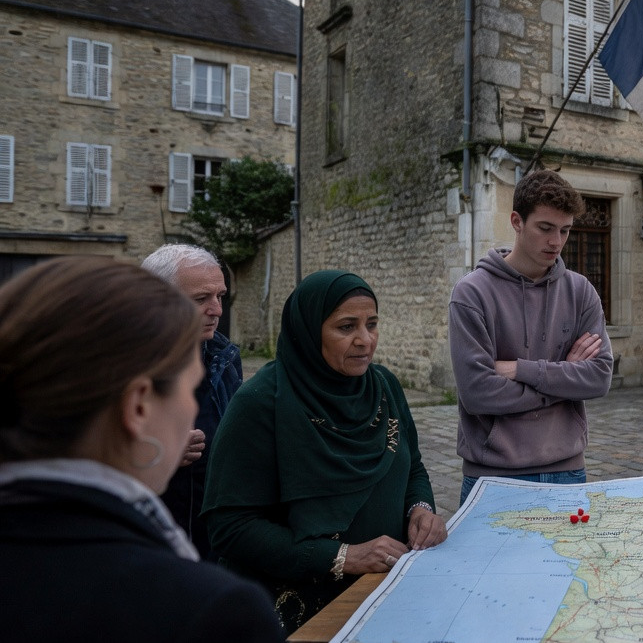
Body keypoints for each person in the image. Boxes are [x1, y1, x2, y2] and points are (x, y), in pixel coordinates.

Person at [0, 257, 283, 642]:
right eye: (189, 388)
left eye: (219, 296)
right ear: (138, 407)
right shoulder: (210, 612)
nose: (192, 411)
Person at [203, 270, 447, 631]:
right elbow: (230, 527)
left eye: (372, 324)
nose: (365, 340)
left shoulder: (384, 387)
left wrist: (421, 509)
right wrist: (344, 556)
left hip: (383, 595)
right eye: (346, 327)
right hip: (297, 611)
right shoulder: (261, 403)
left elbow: (412, 468)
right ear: (309, 330)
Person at [449, 168, 613, 504]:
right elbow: (478, 393)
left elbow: (599, 378)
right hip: (493, 477)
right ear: (516, 221)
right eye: (545, 228)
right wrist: (563, 377)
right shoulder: (472, 294)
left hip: (567, 472)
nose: (556, 242)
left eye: (565, 230)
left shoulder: (580, 291)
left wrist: (521, 370)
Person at [141, 244, 242, 558]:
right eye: (201, 299)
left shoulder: (225, 359)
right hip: (146, 545)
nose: (217, 310)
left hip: (214, 541)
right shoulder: (118, 365)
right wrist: (156, 451)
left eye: (220, 296)